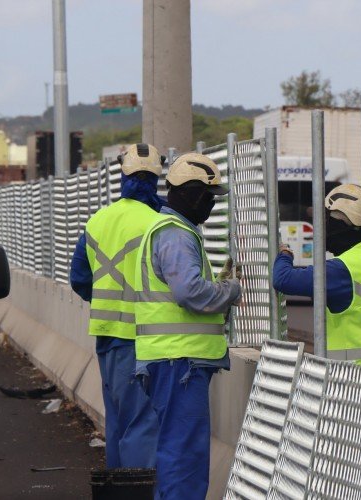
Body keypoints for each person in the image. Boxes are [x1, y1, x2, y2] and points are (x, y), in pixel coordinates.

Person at [133, 152, 241, 499]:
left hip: (173, 363)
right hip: (179, 364)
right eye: (210, 196)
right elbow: (188, 292)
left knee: (178, 454)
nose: (211, 204)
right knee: (185, 459)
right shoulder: (176, 235)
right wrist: (230, 290)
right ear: (194, 194)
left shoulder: (172, 231)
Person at [69, 143, 162, 469]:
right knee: (142, 424)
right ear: (158, 178)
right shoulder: (158, 223)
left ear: (122, 175)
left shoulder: (98, 221)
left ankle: (117, 490)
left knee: (119, 422)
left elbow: (79, 279)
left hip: (107, 338)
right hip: (145, 339)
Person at [272, 183, 361, 376]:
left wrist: (284, 253)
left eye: (328, 221)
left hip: (359, 384)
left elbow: (283, 279)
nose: (323, 229)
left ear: (343, 223)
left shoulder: (342, 269)